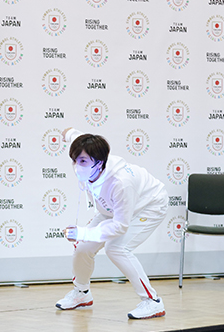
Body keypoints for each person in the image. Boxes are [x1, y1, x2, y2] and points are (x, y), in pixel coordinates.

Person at [56, 128, 168, 319]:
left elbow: (120, 226)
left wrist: (83, 232)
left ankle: (152, 302)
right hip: (112, 209)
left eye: (82, 161)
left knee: (116, 249)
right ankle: (81, 294)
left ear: (99, 163)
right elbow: (74, 135)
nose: (76, 166)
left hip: (148, 205)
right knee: (83, 247)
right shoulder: (90, 154)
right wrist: (67, 133)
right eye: (74, 160)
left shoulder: (121, 183)